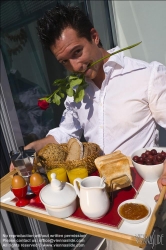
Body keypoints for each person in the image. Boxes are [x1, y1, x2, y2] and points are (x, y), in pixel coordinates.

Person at [9, 4, 166, 249]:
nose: (74, 66)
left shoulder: (146, 76)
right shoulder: (74, 90)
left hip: (138, 199)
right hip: (94, 197)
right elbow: (65, 133)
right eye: (64, 61)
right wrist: (33, 147)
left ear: (94, 36)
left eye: (77, 52)